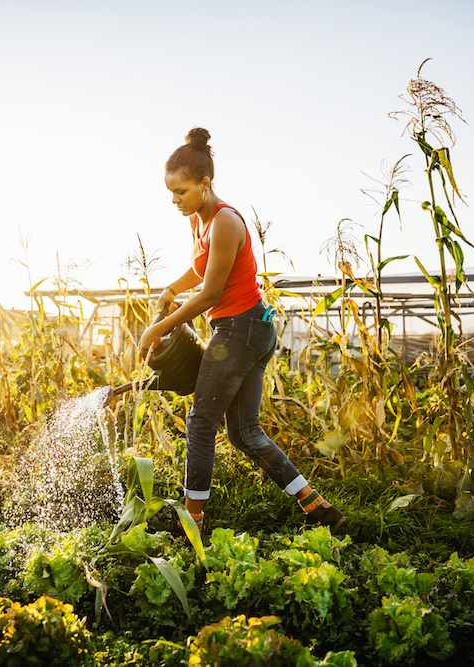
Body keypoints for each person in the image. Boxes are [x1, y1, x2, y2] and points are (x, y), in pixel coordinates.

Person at [139, 128, 346, 535]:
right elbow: (201, 270)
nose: (175, 200)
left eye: (181, 191)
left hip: (240, 330)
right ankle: (318, 507)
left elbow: (212, 293)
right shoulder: (200, 222)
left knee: (200, 423)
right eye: (171, 192)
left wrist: (158, 328)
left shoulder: (225, 222)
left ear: (204, 183)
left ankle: (191, 524)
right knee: (244, 433)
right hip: (247, 329)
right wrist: (170, 290)